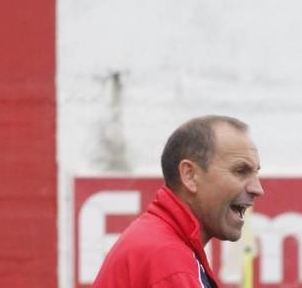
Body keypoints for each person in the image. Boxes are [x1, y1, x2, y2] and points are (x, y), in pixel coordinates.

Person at [92, 115, 265, 288]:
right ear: (189, 175)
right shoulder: (168, 260)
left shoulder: (163, 243)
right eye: (241, 170)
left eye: (255, 173)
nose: (258, 189)